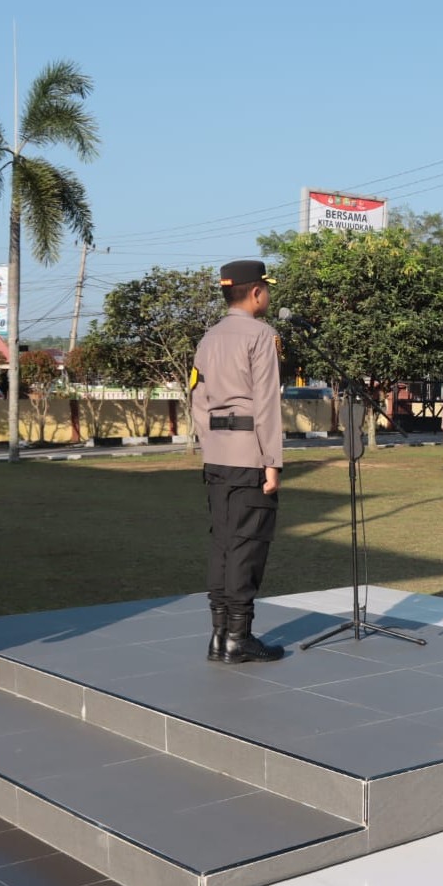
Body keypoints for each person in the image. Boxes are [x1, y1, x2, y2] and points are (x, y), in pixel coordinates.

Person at [191, 260, 285, 663]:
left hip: (217, 455)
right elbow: (266, 403)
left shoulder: (208, 338)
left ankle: (218, 634)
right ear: (255, 292)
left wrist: (209, 444)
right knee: (248, 546)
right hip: (250, 454)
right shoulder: (262, 335)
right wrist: (272, 462)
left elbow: (197, 398)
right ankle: (239, 638)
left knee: (223, 544)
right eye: (266, 289)